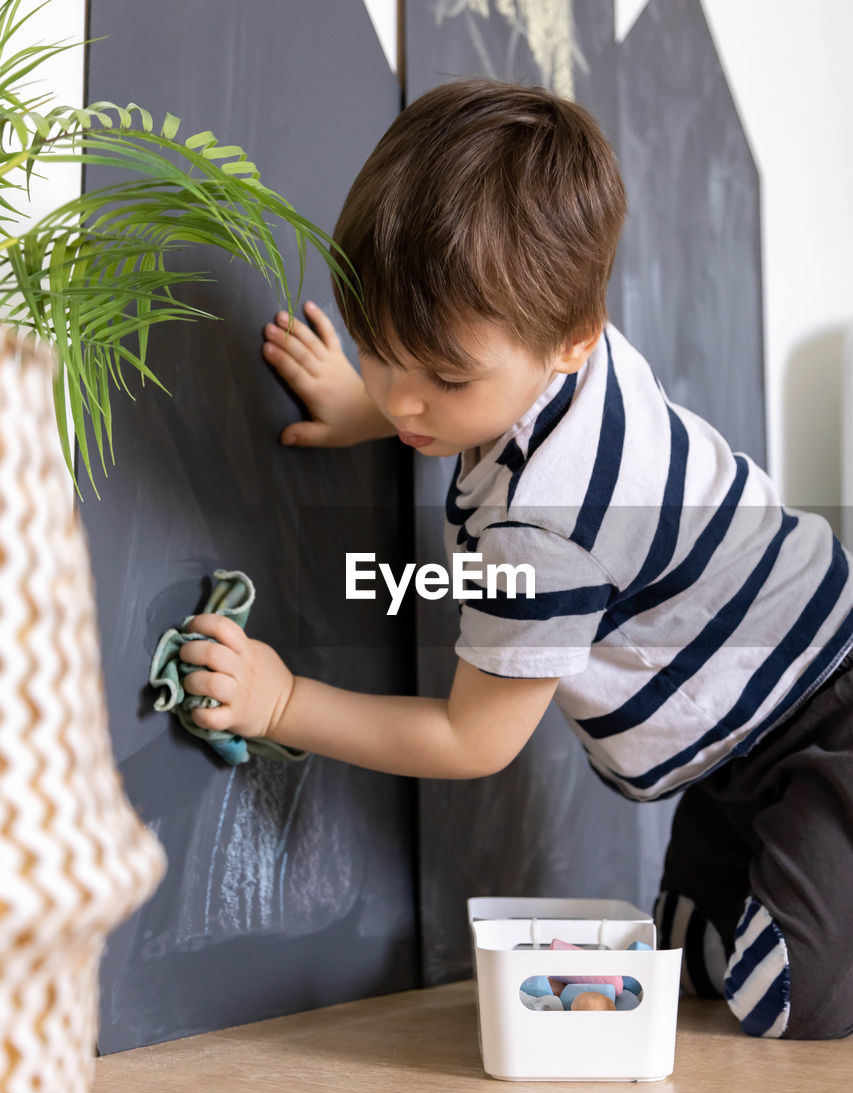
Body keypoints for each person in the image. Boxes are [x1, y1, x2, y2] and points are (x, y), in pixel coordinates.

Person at [179, 79, 853, 1042]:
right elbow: (478, 383)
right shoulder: (552, 326)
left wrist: (284, 704)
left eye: (443, 378)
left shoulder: (549, 530)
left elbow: (473, 740)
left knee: (780, 999)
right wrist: (373, 403)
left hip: (825, 713)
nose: (405, 404)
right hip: (727, 753)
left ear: (571, 342)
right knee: (685, 958)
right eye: (380, 350)